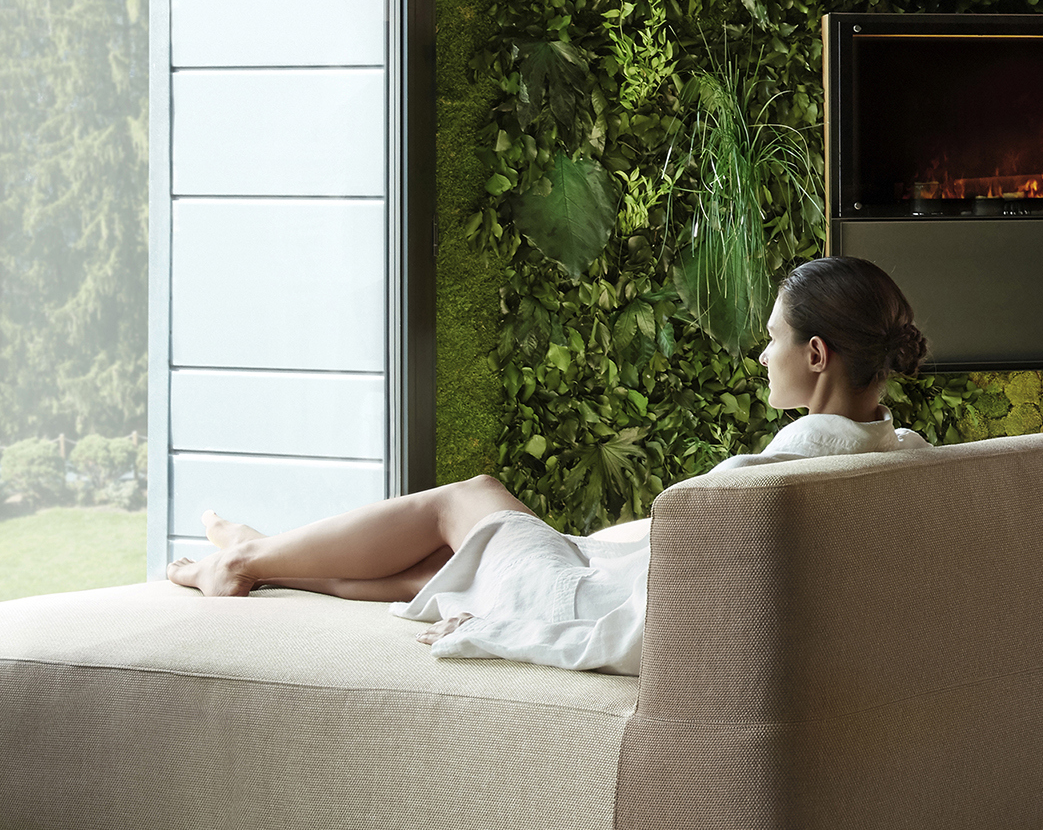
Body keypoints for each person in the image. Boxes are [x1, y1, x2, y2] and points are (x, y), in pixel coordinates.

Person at [164, 256, 932, 674]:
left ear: (818, 353)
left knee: (471, 499)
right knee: (457, 555)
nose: (763, 354)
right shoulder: (899, 459)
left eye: (774, 337)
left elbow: (654, 623)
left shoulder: (780, 477)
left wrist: (507, 629)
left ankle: (246, 558)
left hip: (585, 604)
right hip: (614, 583)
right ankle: (262, 564)